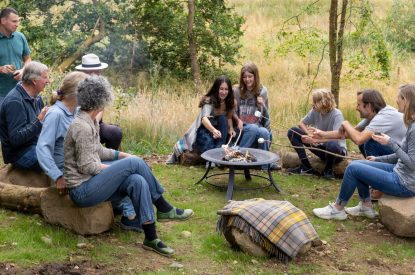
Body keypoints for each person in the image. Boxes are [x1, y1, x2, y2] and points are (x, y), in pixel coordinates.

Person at [64, 75, 193, 257]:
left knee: (137, 180)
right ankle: (163, 207)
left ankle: (151, 236)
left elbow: (99, 151)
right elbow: (87, 166)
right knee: (132, 166)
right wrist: (119, 169)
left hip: (92, 183)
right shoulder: (81, 127)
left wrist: (124, 156)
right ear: (100, 101)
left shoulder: (90, 121)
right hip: (82, 191)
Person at [36, 71, 142, 232]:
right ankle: (129, 212)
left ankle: (125, 207)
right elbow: (42, 148)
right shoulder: (55, 114)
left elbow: (92, 148)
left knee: (124, 165)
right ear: (77, 93)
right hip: (70, 171)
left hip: (85, 163)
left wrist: (120, 155)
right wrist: (57, 176)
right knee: (123, 170)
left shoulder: (76, 111)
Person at [313, 84, 415, 220]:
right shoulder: (410, 124)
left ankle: (337, 209)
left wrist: (391, 143)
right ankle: (365, 207)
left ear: (407, 100)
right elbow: (352, 132)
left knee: (354, 167)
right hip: (399, 171)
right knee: (361, 164)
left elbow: (412, 164)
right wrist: (379, 159)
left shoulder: (413, 128)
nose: (396, 100)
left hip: (405, 183)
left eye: (399, 97)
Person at [313, 89, 406, 158]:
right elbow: (351, 133)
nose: (356, 108)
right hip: (398, 153)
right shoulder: (374, 114)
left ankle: (373, 174)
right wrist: (321, 134)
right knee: (365, 141)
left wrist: (345, 123)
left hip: (406, 158)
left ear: (369, 106)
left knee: (370, 142)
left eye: (358, 105)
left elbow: (358, 139)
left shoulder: (383, 117)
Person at [167, 75, 235, 164]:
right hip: (204, 130)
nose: (223, 92)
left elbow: (229, 117)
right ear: (216, 89)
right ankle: (212, 159)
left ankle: (218, 153)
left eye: (226, 89)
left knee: (223, 119)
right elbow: (204, 119)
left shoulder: (228, 101)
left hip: (219, 132)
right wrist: (213, 130)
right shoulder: (209, 101)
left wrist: (231, 128)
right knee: (208, 144)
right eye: (221, 89)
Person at [287, 88, 347, 179]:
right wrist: (308, 134)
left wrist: (315, 139)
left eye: (315, 102)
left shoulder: (337, 114)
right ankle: (306, 166)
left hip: (336, 152)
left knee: (332, 144)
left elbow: (337, 137)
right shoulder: (315, 111)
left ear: (324, 102)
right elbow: (301, 123)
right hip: (320, 146)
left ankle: (328, 170)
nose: (313, 104)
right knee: (292, 131)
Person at [0, 61, 49, 171]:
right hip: (21, 154)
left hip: (35, 145)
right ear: (34, 81)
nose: (48, 81)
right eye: (45, 77)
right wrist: (39, 121)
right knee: (59, 161)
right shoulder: (15, 102)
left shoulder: (36, 96)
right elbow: (16, 139)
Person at [232, 62, 279, 170]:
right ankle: (237, 157)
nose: (247, 79)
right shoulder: (237, 91)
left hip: (256, 126)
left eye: (250, 76)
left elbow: (266, 115)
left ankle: (264, 165)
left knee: (264, 132)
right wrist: (238, 120)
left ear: (255, 76)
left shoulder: (262, 91)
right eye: (244, 77)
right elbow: (232, 111)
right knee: (253, 128)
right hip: (241, 128)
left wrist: (262, 105)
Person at [75, 53, 122, 150]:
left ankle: (110, 160)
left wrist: (93, 123)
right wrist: (86, 125)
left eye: (98, 71)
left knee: (115, 132)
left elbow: (101, 109)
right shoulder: (76, 84)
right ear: (84, 71)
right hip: (77, 124)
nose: (96, 74)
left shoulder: (101, 85)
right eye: (92, 72)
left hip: (96, 123)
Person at [0, 7, 31, 102]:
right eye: (14, 21)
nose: (17, 24)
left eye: (17, 21)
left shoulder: (20, 37)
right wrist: (1, 69)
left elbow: (28, 59)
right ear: (3, 20)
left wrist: (23, 70)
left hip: (20, 91)